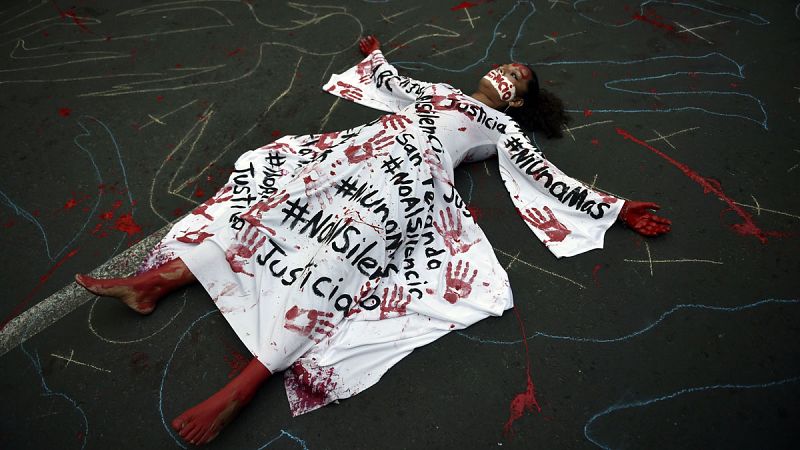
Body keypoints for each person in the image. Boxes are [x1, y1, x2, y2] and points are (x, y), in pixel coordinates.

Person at [75, 35, 670, 445]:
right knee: (263, 215)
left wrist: (614, 208)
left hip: (406, 192)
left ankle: (240, 390)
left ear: (519, 99)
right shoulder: (438, 91)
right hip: (351, 157)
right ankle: (153, 284)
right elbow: (393, 83)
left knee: (333, 271)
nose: (507, 75)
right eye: (508, 66)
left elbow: (544, 175)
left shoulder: (500, 126)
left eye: (518, 78)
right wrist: (376, 56)